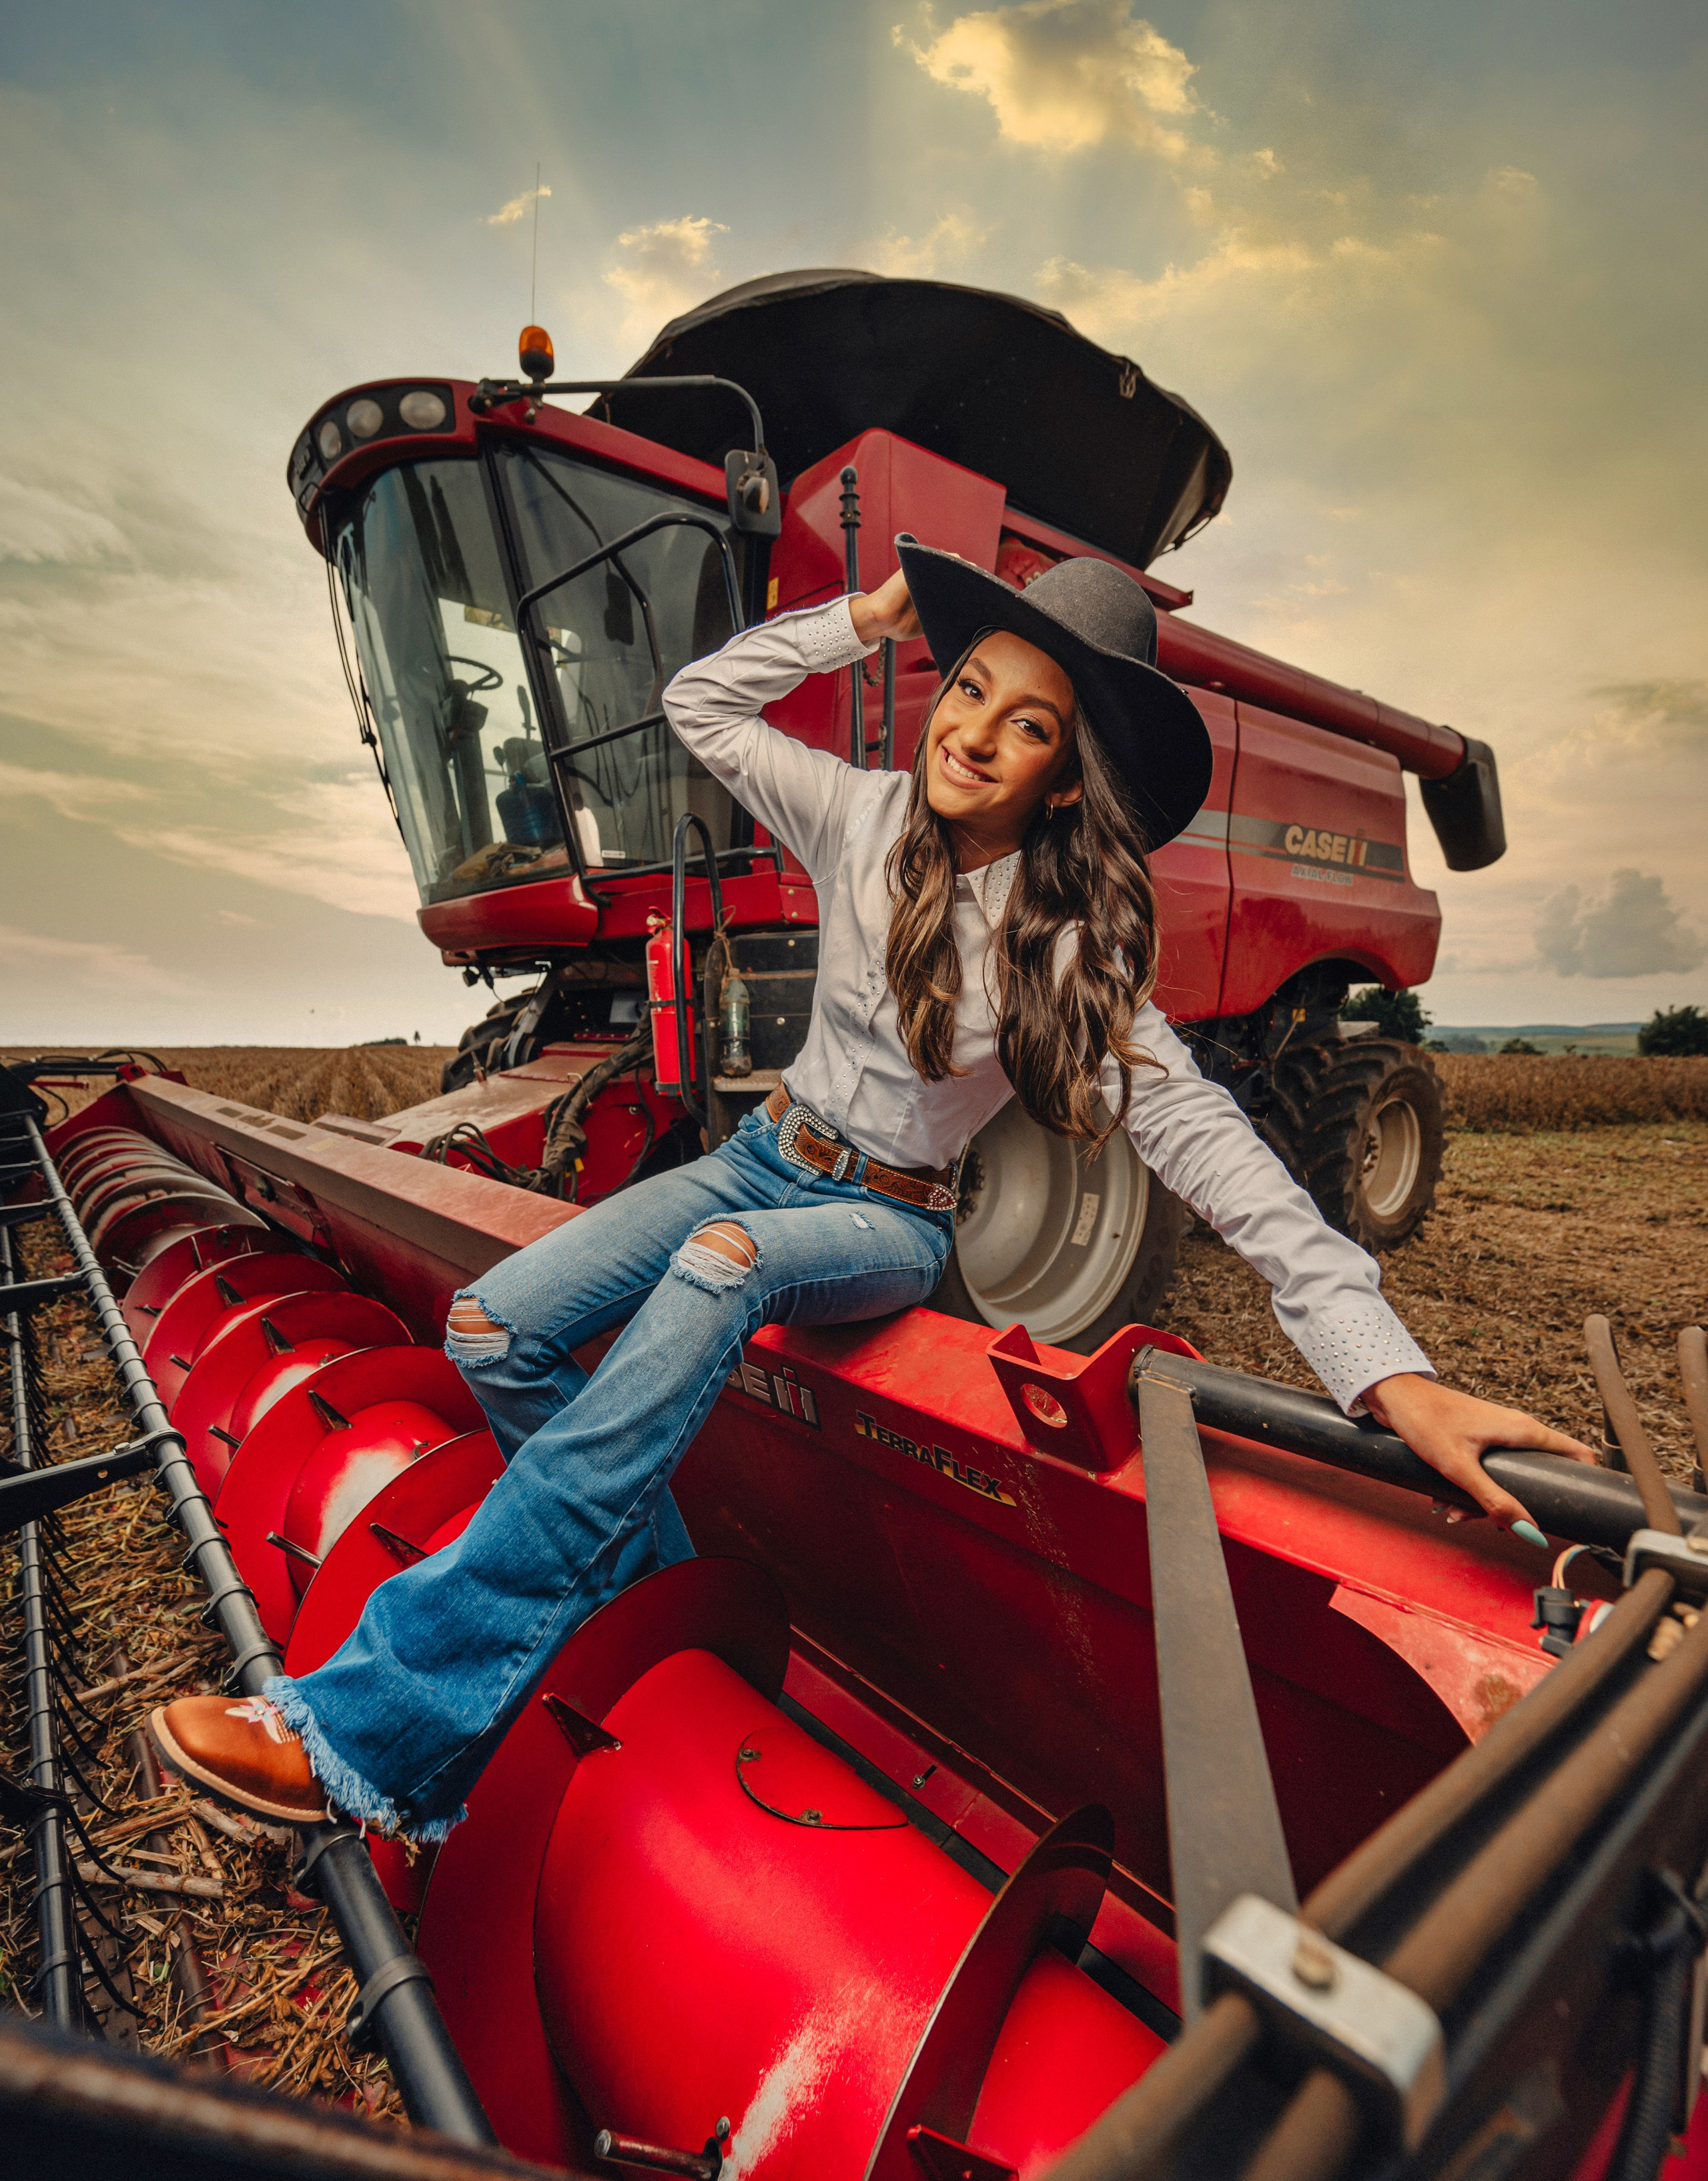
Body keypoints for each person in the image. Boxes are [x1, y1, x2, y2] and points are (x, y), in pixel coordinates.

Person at [149, 545, 1594, 1833]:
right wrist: (864, 615)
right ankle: (654, 1604)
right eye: (969, 688)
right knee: (493, 1332)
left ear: (1063, 775)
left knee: (721, 1262)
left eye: (1029, 723)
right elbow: (700, 704)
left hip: (887, 1219)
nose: (976, 731)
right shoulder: (854, 815)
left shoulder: (1064, 946)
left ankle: (364, 1735)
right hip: (760, 1157)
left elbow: (1216, 1149)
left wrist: (1387, 1373)